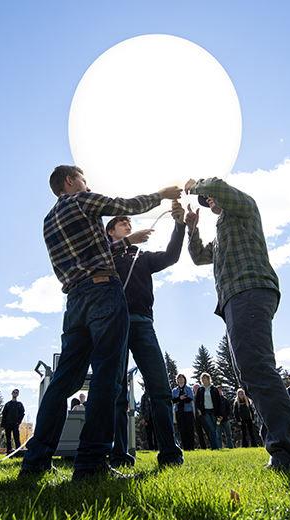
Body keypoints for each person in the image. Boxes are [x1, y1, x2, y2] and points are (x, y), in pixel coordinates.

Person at [19, 165, 182, 480]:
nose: (87, 184)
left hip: (75, 301)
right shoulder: (81, 200)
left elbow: (91, 250)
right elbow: (124, 205)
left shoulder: (49, 220)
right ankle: (91, 463)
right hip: (103, 294)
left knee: (63, 381)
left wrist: (126, 240)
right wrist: (162, 195)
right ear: (70, 181)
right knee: (108, 376)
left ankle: (35, 461)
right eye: (83, 179)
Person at [184, 177, 290, 468]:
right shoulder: (220, 235)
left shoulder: (244, 209)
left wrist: (195, 186)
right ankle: (282, 451)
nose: (210, 202)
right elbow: (199, 257)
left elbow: (215, 185)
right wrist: (191, 228)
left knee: (258, 370)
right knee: (252, 374)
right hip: (234, 300)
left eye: (211, 199)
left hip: (250, 291)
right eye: (206, 202)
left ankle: (289, 455)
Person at [106, 203, 185, 467]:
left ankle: (170, 455)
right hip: (114, 327)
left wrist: (180, 224)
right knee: (116, 392)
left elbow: (172, 256)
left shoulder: (142, 256)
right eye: (121, 223)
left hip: (142, 325)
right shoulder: (104, 255)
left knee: (160, 389)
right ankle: (119, 455)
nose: (128, 224)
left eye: (129, 222)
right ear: (110, 232)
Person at [194, 373, 223, 450]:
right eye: (202, 378)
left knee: (214, 428)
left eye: (205, 378)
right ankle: (215, 446)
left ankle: (216, 445)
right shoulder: (200, 389)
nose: (204, 380)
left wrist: (220, 413)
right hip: (205, 411)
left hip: (213, 411)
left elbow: (219, 401)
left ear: (208, 379)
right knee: (211, 428)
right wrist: (200, 409)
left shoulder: (214, 389)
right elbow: (197, 401)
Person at [172, 374, 196, 451]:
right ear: (177, 380)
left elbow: (190, 398)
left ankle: (191, 447)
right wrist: (180, 398)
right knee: (182, 430)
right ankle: (185, 447)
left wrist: (179, 400)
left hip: (188, 411)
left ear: (185, 380)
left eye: (182, 378)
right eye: (179, 378)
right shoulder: (175, 390)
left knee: (190, 429)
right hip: (179, 412)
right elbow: (173, 400)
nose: (181, 379)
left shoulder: (188, 389)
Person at [1, 389, 25, 454]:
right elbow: (4, 414)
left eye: (16, 393)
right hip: (7, 423)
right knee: (8, 438)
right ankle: (9, 451)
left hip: (15, 424)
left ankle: (18, 451)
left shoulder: (19, 404)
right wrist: (2, 425)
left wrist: (18, 421)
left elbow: (22, 413)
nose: (15, 394)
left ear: (18, 395)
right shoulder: (8, 404)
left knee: (16, 437)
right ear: (12, 393)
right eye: (14, 392)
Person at [192, 383, 210, 449]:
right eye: (194, 387)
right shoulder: (192, 397)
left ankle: (212, 445)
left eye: (197, 387)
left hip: (202, 415)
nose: (196, 389)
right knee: (199, 433)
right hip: (195, 416)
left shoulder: (202, 396)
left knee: (207, 431)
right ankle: (203, 447)